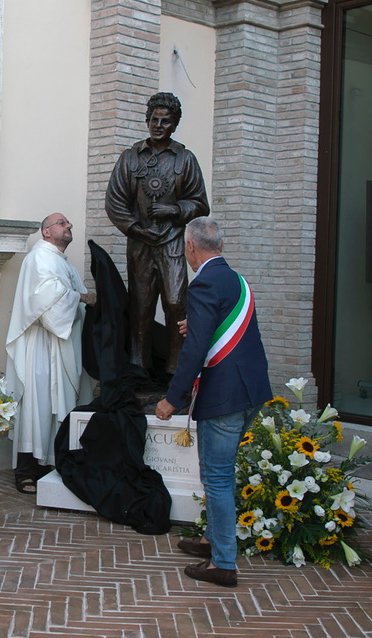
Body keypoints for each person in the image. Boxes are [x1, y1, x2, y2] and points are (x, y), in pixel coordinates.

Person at [155, 216, 270, 588]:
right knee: (222, 474)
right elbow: (226, 328)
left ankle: (222, 562)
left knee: (217, 478)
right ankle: (211, 540)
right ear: (219, 244)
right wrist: (197, 326)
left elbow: (195, 351)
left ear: (190, 246)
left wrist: (173, 398)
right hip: (251, 390)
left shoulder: (203, 282)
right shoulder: (236, 280)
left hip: (224, 395)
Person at [105, 91, 210, 378]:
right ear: (147, 120)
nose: (158, 126)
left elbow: (200, 203)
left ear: (174, 125)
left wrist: (174, 210)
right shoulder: (130, 158)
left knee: (176, 304)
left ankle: (177, 371)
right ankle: (139, 369)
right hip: (140, 244)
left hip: (172, 244)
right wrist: (137, 228)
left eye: (165, 121)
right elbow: (115, 201)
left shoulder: (185, 159)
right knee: (140, 307)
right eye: (154, 120)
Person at [4, 212, 95, 493]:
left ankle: (52, 465)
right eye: (61, 223)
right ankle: (26, 470)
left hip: (63, 344)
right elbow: (45, 300)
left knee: (57, 405)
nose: (68, 226)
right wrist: (83, 297)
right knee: (38, 404)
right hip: (41, 346)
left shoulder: (62, 262)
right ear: (46, 231)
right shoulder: (39, 258)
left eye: (68, 223)